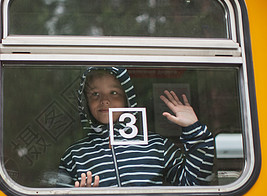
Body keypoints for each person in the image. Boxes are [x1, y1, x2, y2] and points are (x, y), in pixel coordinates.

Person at [58, 67, 214, 187]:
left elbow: (194, 183)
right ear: (85, 102)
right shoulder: (75, 155)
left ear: (127, 99)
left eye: (113, 92)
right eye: (95, 94)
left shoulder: (157, 145)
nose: (104, 100)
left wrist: (194, 130)